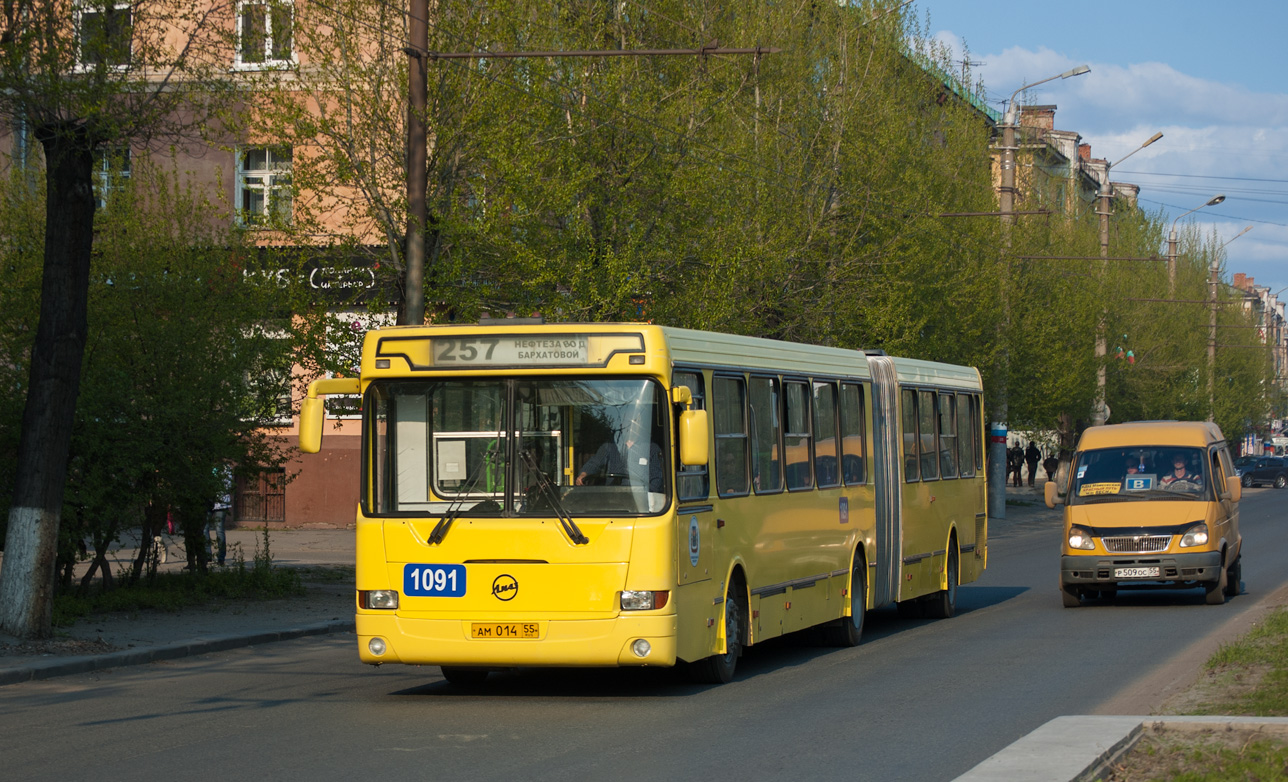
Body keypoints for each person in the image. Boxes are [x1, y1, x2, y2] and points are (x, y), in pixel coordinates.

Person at [576, 431, 664, 492]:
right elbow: (595, 462)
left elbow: (656, 478)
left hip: (639, 500)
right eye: (626, 423)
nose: (629, 428)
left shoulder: (651, 448)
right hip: (612, 497)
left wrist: (646, 497)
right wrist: (584, 473)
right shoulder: (609, 446)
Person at [207, 466, 232, 566]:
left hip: (220, 503)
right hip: (208, 502)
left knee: (219, 530)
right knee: (204, 528)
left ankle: (221, 557)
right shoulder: (206, 466)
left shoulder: (225, 468)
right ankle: (207, 555)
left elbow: (228, 485)